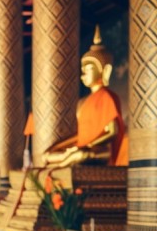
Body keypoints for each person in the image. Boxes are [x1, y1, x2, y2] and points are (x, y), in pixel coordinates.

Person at [43, 25, 127, 167]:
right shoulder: (83, 102)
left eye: (88, 70)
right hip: (82, 146)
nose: (83, 75)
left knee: (80, 154)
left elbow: (112, 132)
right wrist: (58, 147)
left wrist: (86, 145)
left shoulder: (108, 97)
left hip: (99, 150)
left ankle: (61, 165)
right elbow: (81, 135)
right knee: (49, 154)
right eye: (83, 71)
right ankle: (63, 161)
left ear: (104, 71)